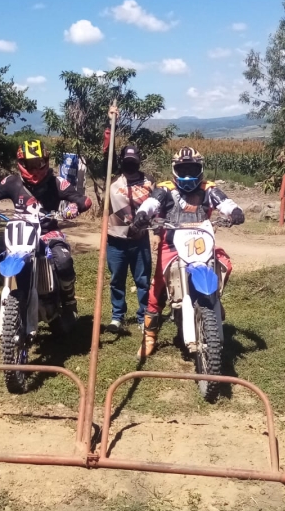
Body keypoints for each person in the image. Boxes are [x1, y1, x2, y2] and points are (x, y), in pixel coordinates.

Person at [131, 147, 245, 359]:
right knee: (157, 287)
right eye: (182, 170)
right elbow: (151, 202)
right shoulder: (165, 188)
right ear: (174, 169)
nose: (187, 175)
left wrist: (235, 210)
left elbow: (224, 201)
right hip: (172, 244)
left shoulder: (208, 188)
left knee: (224, 264)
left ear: (200, 169)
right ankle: (149, 337)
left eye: (192, 169)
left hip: (202, 243)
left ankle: (214, 301)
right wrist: (142, 214)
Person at [0, 140, 92, 331]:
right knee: (8, 260)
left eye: (40, 163)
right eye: (30, 163)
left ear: (46, 161)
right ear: (22, 163)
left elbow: (83, 199)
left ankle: (69, 301)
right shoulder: (12, 182)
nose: (36, 168)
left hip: (48, 233)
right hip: (21, 234)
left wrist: (74, 207)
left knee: (63, 260)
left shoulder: (56, 182)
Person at [105, 145, 154, 335]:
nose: (130, 164)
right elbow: (106, 154)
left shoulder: (149, 183)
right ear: (122, 162)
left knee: (142, 280)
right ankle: (117, 316)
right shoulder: (114, 183)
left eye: (133, 161)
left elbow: (157, 209)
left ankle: (143, 317)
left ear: (138, 162)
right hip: (116, 239)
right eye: (127, 161)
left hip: (140, 241)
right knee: (117, 279)